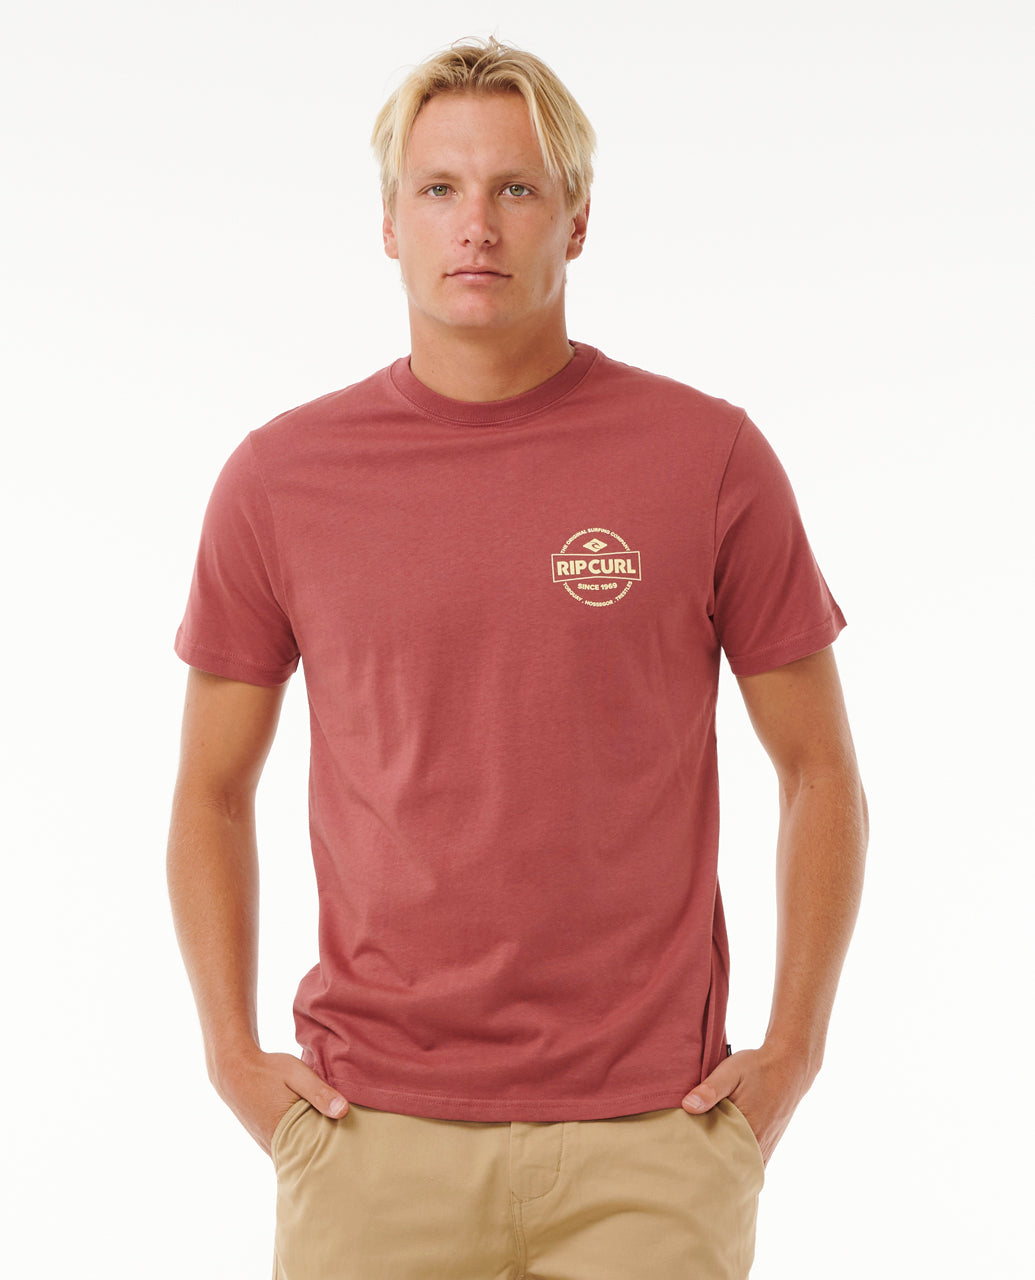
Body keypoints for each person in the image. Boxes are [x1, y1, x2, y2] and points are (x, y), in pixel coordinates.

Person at [167, 36, 867, 1280]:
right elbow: (211, 788)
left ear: (578, 221)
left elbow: (820, 769)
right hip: (371, 1131)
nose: (475, 225)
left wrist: (795, 1049)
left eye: (516, 188)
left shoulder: (708, 459)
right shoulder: (281, 480)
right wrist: (230, 1052)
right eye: (438, 188)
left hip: (654, 1136)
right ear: (389, 223)